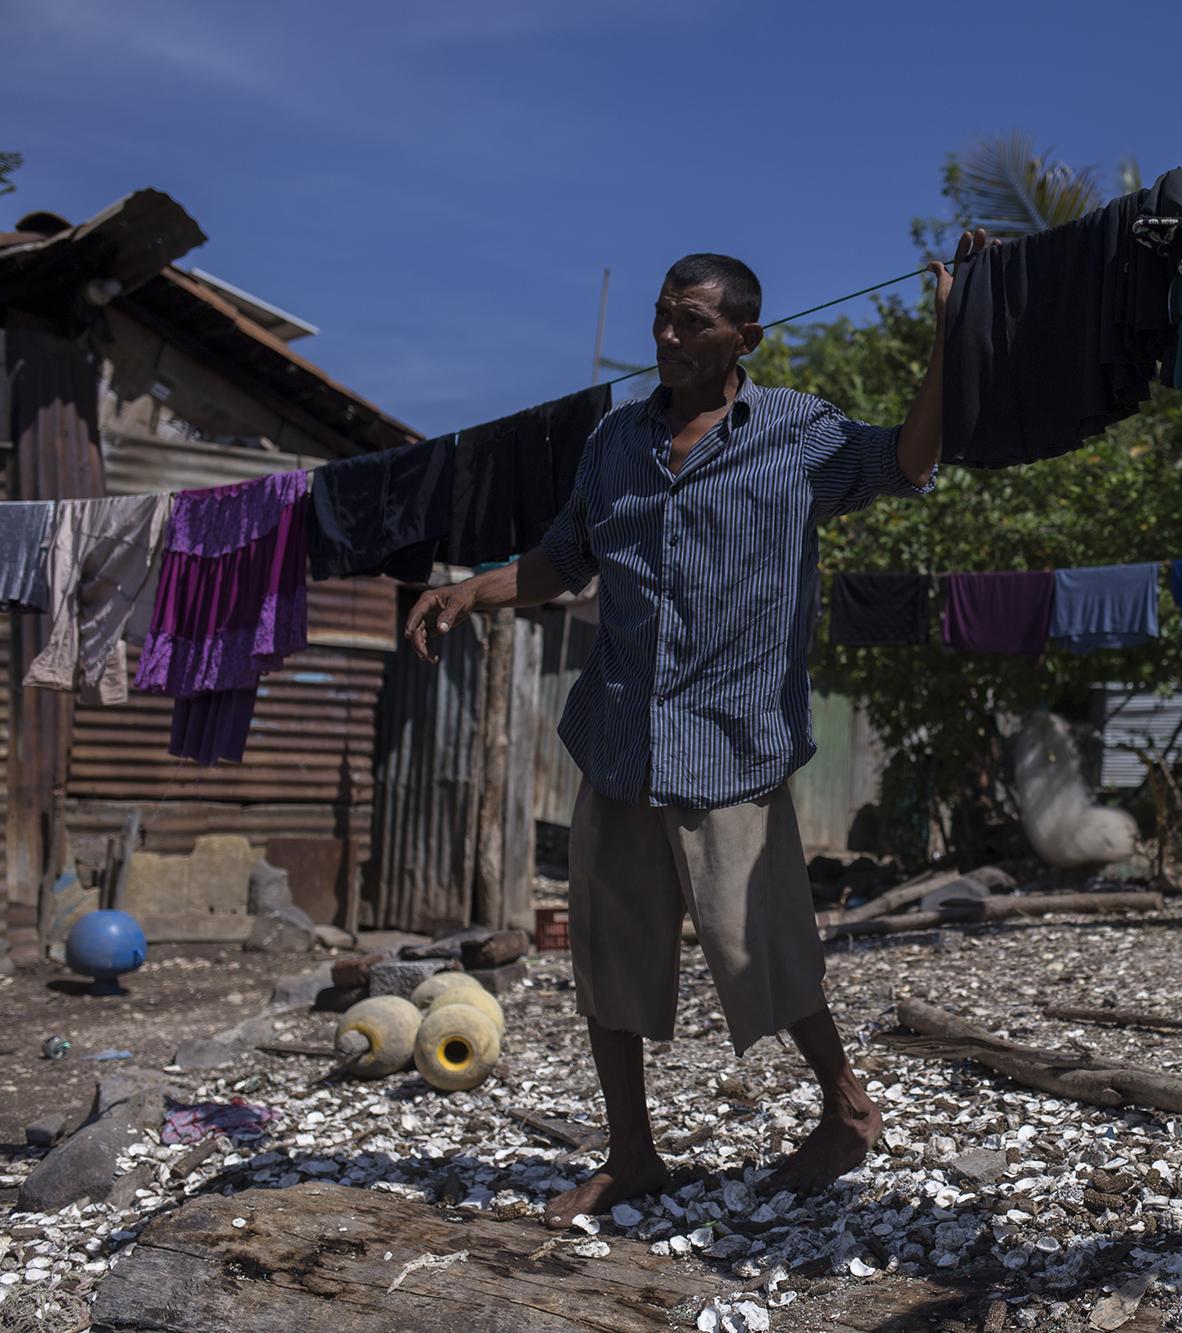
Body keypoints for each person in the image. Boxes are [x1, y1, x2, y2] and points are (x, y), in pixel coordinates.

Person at [404, 233, 988, 1226]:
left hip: (730, 739)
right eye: (663, 319)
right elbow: (562, 559)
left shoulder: (795, 432)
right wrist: (476, 590)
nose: (667, 335)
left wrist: (948, 330)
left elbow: (907, 458)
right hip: (621, 733)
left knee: (755, 944)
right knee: (609, 949)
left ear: (743, 336)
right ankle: (630, 1154)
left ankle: (845, 1108)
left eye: (693, 323)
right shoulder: (614, 444)